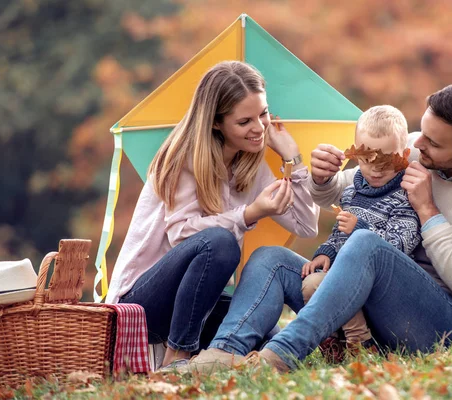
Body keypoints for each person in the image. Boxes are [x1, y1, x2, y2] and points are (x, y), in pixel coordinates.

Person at [186, 82, 452, 373]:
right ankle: (223, 352)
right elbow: (348, 189)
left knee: (366, 243)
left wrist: (427, 210)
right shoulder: (413, 148)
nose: (417, 146)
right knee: (270, 259)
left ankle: (280, 355)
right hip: (376, 312)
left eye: (432, 143)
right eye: (421, 133)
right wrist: (323, 177)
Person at [105, 61, 319, 371]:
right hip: (142, 303)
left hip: (196, 305)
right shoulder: (182, 158)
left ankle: (201, 353)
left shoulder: (250, 165)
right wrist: (249, 214)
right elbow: (183, 236)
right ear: (216, 123)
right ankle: (176, 357)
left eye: (263, 114)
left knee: (267, 336)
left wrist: (293, 159)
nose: (259, 128)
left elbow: (306, 224)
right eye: (244, 121)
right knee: (221, 243)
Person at [300, 105, 421, 359]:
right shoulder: (351, 192)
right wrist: (327, 251)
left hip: (383, 284)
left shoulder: (406, 197)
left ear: (405, 154)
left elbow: (400, 245)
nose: (376, 168)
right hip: (348, 273)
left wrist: (361, 229)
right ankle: (333, 343)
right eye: (367, 159)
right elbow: (340, 231)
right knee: (311, 284)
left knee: (335, 283)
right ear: (356, 156)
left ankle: (360, 343)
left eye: (386, 160)